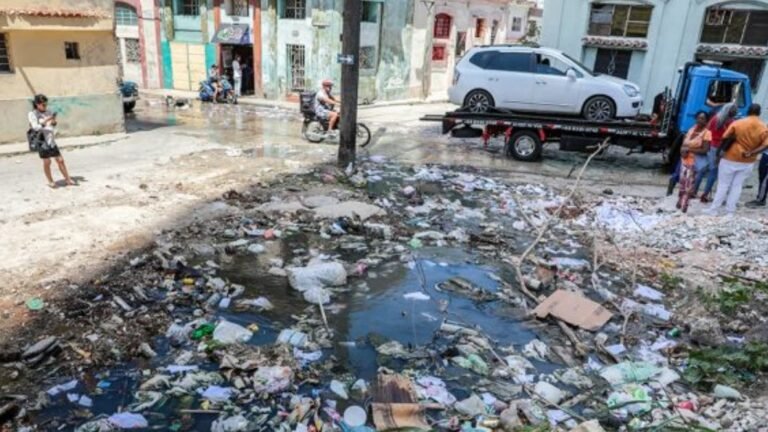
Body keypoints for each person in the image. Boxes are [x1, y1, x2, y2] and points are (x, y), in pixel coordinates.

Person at [705, 104, 768, 216]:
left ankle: (714, 210)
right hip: (748, 161)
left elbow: (725, 138)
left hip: (730, 157)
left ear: (748, 110)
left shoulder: (738, 123)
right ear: (759, 113)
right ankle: (730, 212)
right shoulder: (764, 127)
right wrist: (752, 152)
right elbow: (765, 145)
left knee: (723, 185)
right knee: (737, 186)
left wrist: (719, 154)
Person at [28, 94, 74, 188]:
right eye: (43, 105)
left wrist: (53, 122)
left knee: (60, 160)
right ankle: (50, 181)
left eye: (46, 104)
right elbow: (35, 127)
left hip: (50, 139)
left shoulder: (48, 111)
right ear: (37, 104)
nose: (45, 106)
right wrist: (46, 120)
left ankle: (67, 179)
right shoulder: (32, 114)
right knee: (47, 162)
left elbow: (52, 125)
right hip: (42, 140)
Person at [697, 102, 738, 202]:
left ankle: (693, 190)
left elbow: (706, 130)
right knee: (713, 172)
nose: (737, 112)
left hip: (710, 145)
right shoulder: (731, 122)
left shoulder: (715, 118)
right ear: (731, 111)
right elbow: (730, 138)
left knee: (703, 169)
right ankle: (705, 194)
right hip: (719, 148)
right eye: (735, 110)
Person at [676, 111, 712, 212]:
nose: (700, 120)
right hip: (684, 160)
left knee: (689, 185)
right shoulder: (691, 129)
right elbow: (684, 143)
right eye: (699, 118)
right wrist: (682, 151)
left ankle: (684, 206)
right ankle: (680, 200)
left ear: (706, 121)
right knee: (682, 183)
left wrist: (689, 150)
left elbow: (705, 150)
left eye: (703, 118)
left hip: (694, 163)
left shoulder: (707, 133)